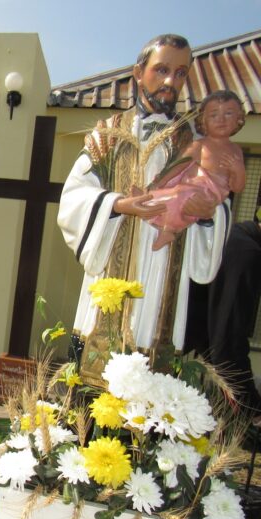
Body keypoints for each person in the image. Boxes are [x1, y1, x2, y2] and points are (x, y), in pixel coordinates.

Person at [57, 34, 230, 379]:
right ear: (139, 72)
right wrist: (120, 204)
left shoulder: (196, 146)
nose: (170, 81)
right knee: (89, 401)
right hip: (106, 279)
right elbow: (73, 197)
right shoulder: (106, 135)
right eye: (162, 69)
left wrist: (208, 214)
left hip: (161, 284)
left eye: (180, 74)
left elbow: (217, 204)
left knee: (148, 404)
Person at [144, 90, 246, 251]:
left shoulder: (236, 151)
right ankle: (147, 199)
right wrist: (159, 182)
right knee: (175, 192)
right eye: (213, 115)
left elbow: (237, 187)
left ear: (239, 119)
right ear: (203, 121)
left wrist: (238, 169)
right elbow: (179, 165)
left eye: (228, 113)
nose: (221, 119)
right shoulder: (200, 146)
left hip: (210, 194)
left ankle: (169, 229)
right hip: (190, 187)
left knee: (179, 195)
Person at [188, 209, 261, 414]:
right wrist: (252, 407)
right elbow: (227, 343)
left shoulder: (232, 236)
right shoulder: (246, 254)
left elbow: (208, 331)